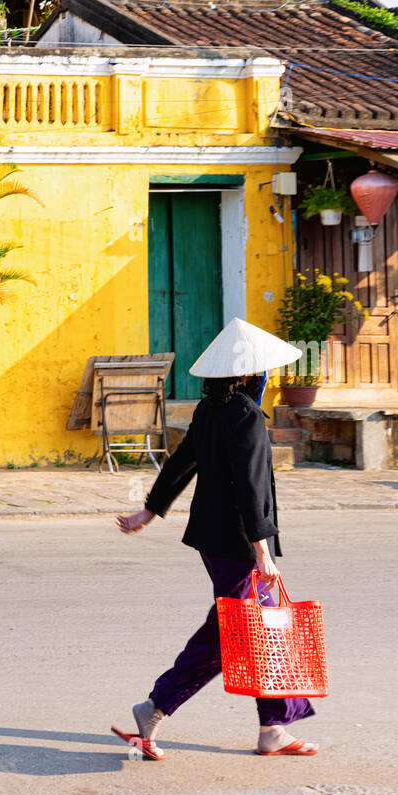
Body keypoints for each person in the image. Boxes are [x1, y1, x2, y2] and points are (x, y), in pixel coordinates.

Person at [113, 317, 318, 760]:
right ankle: (156, 706)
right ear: (248, 374)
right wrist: (262, 552)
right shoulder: (244, 415)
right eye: (262, 371)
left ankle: (273, 727)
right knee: (233, 634)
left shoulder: (210, 411)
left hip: (215, 539)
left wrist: (149, 510)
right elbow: (249, 487)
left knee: (258, 630)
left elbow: (180, 463)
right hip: (238, 543)